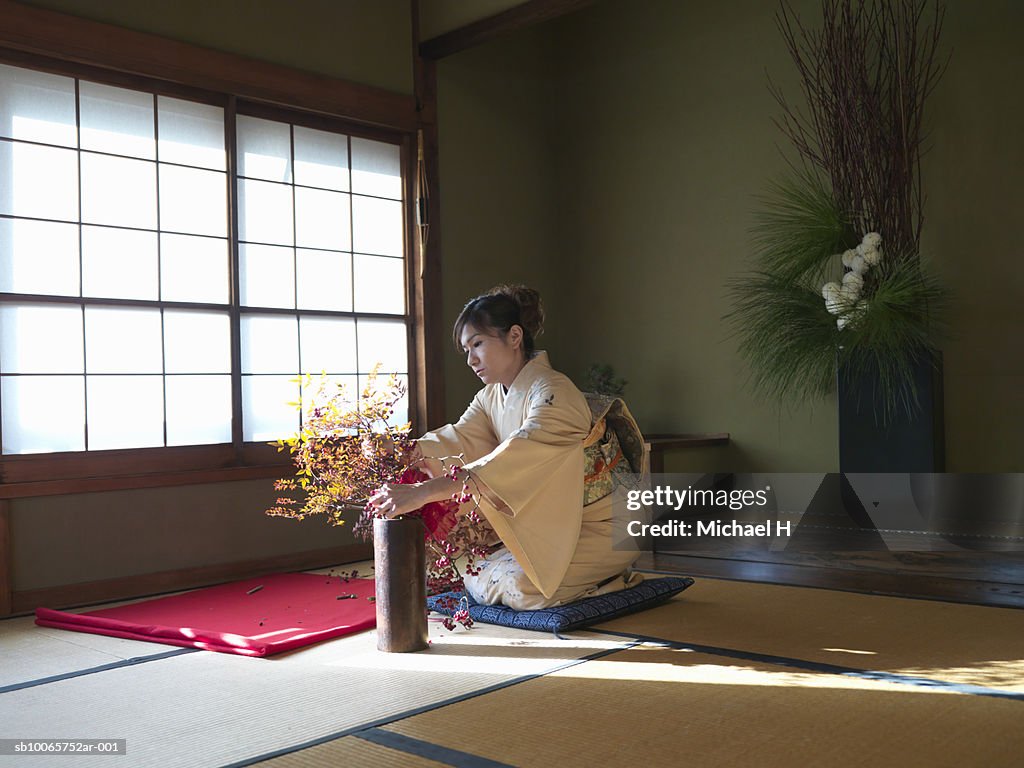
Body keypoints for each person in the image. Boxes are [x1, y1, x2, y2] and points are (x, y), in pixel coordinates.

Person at [368, 284, 643, 610]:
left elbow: (513, 459)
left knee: (520, 588)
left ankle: (611, 582)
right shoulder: (490, 397)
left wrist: (424, 492)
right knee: (469, 568)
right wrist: (402, 451)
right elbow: (459, 440)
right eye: (466, 349)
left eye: (478, 344)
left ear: (515, 337)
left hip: (606, 525)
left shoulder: (555, 392)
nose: (470, 359)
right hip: (557, 524)